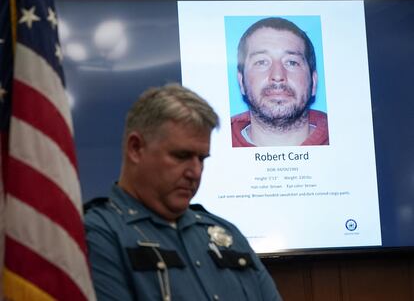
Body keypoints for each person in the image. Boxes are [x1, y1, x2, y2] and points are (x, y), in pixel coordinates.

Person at [84, 83, 283, 300]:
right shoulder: (98, 235)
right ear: (136, 148)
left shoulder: (226, 234)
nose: (195, 172)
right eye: (181, 156)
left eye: (201, 159)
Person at [231, 17, 329, 147]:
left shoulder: (349, 139)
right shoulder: (215, 143)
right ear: (241, 82)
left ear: (314, 82)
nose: (277, 75)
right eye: (261, 62)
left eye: (292, 62)